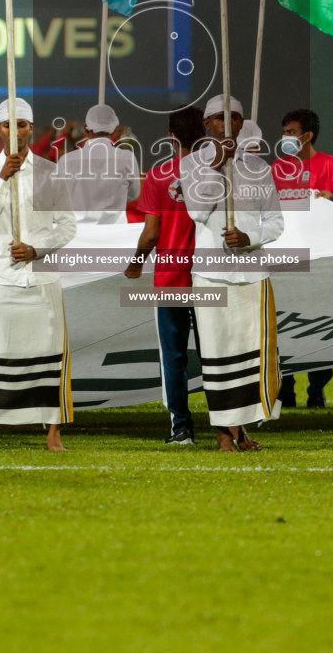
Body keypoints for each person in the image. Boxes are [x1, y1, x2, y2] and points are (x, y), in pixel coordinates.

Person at [0, 99, 78, 452]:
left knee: (49, 352)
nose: (14, 131)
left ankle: (53, 433)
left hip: (42, 276)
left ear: (31, 128)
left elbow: (66, 226)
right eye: (7, 125)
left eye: (21, 125)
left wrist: (36, 248)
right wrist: (3, 179)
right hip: (3, 274)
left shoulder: (50, 172)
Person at [181, 95, 285, 451]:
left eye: (235, 118)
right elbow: (196, 209)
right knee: (217, 354)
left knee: (250, 355)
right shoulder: (192, 163)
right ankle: (224, 433)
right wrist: (217, 163)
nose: (228, 124)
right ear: (207, 124)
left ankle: (242, 429)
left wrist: (250, 238)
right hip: (211, 274)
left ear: (242, 124)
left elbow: (275, 222)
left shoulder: (259, 168)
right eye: (220, 119)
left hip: (252, 276)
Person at [125, 106, 204, 444]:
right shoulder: (218, 174)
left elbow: (152, 233)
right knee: (214, 352)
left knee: (173, 356)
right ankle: (228, 427)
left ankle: (182, 427)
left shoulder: (158, 176)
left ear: (171, 138)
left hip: (171, 278)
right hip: (208, 277)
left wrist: (136, 262)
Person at [271, 108, 333, 408]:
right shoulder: (278, 169)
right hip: (287, 258)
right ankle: (286, 388)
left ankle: (317, 388)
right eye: (284, 131)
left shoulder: (329, 164)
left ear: (308, 136)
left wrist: (330, 199)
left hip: (320, 258)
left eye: (291, 132)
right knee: (286, 326)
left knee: (318, 325)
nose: (285, 137)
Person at [54, 103, 140, 224]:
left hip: (78, 236)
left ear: (85, 128)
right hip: (115, 237)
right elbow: (133, 195)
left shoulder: (66, 161)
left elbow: (58, 198)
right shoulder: (127, 158)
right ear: (115, 129)